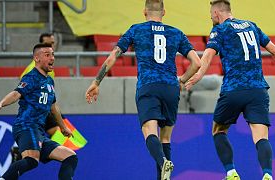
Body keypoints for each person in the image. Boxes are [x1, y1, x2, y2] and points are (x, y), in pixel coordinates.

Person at [85, 0, 201, 179]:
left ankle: (163, 162)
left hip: (148, 86)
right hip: (170, 87)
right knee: (166, 139)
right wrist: (182, 80)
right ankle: (164, 171)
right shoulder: (176, 32)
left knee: (149, 132)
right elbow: (197, 63)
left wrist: (96, 82)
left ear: (144, 12)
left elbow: (113, 56)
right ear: (164, 12)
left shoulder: (136, 29)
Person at [185, 0, 275, 180]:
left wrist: (197, 76)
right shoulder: (252, 26)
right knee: (261, 136)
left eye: (211, 14)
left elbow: (207, 57)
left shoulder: (219, 30)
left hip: (233, 90)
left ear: (217, 14)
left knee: (218, 130)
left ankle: (231, 173)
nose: (211, 17)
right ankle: (267, 175)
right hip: (257, 90)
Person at [0, 43, 78, 179]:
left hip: (39, 131)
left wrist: (63, 127)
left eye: (53, 54)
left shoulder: (49, 81)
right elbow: (16, 93)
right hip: (26, 126)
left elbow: (53, 107)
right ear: (36, 58)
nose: (52, 58)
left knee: (70, 157)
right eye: (47, 55)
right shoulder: (31, 77)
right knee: (31, 161)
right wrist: (1, 103)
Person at [11, 33, 64, 162]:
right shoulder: (32, 69)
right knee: (57, 132)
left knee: (57, 132)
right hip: (35, 110)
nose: (51, 46)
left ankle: (24, 149)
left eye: (52, 43)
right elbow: (22, 89)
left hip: (44, 107)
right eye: (48, 43)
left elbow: (50, 94)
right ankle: (28, 150)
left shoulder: (49, 68)